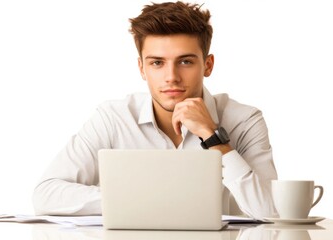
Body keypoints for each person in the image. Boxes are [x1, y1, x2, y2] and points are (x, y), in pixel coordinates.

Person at [32, 1, 277, 219]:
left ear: (208, 65)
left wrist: (213, 137)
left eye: (185, 61)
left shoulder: (245, 120)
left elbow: (270, 211)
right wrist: (144, 199)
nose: (171, 77)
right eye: (157, 63)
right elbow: (47, 194)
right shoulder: (113, 118)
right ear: (142, 68)